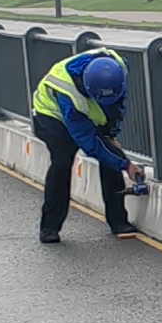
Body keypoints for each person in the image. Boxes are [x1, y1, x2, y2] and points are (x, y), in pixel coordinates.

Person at [27, 46, 150, 244]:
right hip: (51, 117)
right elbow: (91, 143)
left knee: (111, 157)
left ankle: (118, 221)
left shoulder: (117, 68)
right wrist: (126, 164)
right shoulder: (69, 95)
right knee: (62, 161)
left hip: (86, 110)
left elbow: (117, 108)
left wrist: (111, 136)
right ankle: (50, 226)